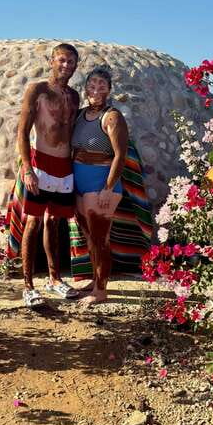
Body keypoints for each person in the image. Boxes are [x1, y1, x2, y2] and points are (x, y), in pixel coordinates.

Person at [11, 43, 80, 308]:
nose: (66, 66)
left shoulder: (74, 96)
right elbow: (22, 131)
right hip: (40, 163)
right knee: (33, 222)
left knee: (54, 223)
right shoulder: (37, 90)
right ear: (51, 61)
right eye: (62, 60)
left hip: (64, 166)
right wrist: (27, 168)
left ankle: (54, 279)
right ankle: (28, 286)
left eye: (71, 62)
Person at [71, 66, 129, 306]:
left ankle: (101, 290)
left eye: (102, 85)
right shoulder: (81, 114)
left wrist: (108, 187)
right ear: (85, 88)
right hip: (80, 184)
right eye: (92, 84)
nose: (96, 89)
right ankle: (96, 280)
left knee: (100, 239)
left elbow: (120, 155)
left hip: (101, 185)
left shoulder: (112, 116)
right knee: (88, 236)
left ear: (109, 89)